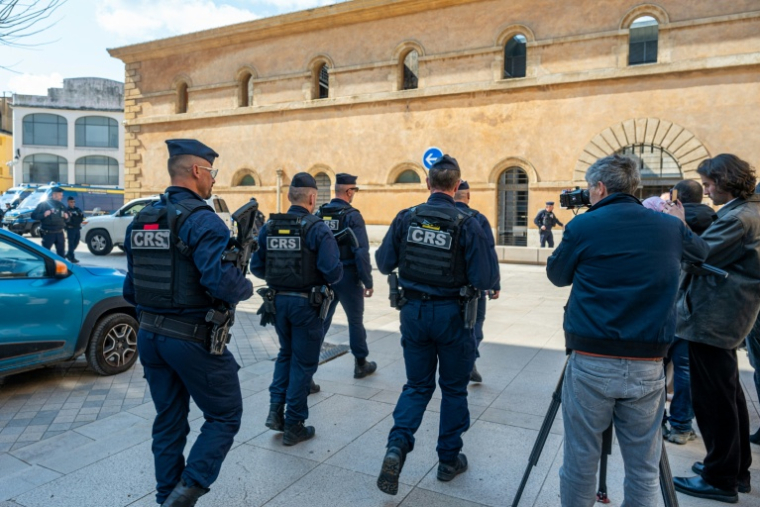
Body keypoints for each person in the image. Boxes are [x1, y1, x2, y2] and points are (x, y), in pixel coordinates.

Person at [546, 154, 708, 506]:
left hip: (590, 359)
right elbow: (701, 254)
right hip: (648, 363)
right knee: (643, 467)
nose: (587, 195)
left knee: (580, 460)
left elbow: (557, 276)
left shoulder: (585, 226)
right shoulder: (668, 227)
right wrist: (681, 223)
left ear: (601, 187)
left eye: (590, 189)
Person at [123, 139, 253, 507]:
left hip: (149, 336)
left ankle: (166, 497)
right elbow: (220, 283)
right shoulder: (202, 220)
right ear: (197, 171)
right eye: (211, 172)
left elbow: (130, 289)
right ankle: (186, 491)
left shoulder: (142, 218)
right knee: (225, 415)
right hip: (192, 340)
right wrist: (245, 285)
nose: (213, 180)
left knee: (169, 419)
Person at [374, 155, 499, 495]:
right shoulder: (470, 221)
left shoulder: (407, 217)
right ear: (457, 186)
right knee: (454, 389)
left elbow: (384, 263)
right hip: (454, 318)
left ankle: (397, 446)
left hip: (413, 313)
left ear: (427, 184)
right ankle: (448, 460)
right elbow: (485, 277)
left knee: (417, 386)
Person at [666, 154, 760, 503]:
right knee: (729, 395)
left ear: (724, 180)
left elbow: (699, 255)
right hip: (727, 314)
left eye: (707, 184)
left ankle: (721, 478)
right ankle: (735, 470)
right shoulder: (748, 210)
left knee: (715, 401)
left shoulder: (739, 217)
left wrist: (678, 224)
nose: (705, 192)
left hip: (714, 316)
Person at [250, 172, 342, 446]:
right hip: (307, 305)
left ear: (290, 196)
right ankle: (294, 424)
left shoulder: (270, 226)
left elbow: (256, 267)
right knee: (303, 362)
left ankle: (275, 411)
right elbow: (332, 271)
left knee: (286, 355)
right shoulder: (317, 228)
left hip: (276, 302)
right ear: (313, 198)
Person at [661, 179, 715, 445]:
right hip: (694, 304)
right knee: (684, 368)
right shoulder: (716, 219)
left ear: (677, 197)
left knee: (656, 365)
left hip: (666, 300)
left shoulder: (667, 220)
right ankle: (681, 426)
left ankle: (655, 421)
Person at [316, 173, 377, 378]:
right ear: (349, 191)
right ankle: (361, 364)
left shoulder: (321, 213)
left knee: (321, 321)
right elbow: (361, 251)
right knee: (355, 321)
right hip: (348, 276)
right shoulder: (352, 215)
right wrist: (367, 280)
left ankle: (307, 369)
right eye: (354, 191)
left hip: (325, 276)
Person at [453, 180, 501, 382]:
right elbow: (488, 254)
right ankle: (468, 362)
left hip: (443, 287)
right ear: (468, 196)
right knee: (475, 325)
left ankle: (465, 362)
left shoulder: (433, 216)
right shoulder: (477, 219)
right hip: (473, 288)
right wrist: (494, 284)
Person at [31, 187, 68, 257]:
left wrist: (67, 217)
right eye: (60, 195)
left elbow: (68, 219)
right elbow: (33, 216)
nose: (62, 197)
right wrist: (44, 214)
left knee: (61, 255)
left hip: (59, 233)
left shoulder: (61, 206)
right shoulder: (44, 205)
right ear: (54, 195)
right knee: (45, 255)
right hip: (48, 234)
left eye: (62, 195)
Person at [64, 196, 84, 263]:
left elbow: (81, 217)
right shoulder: (66, 210)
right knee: (71, 243)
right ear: (68, 202)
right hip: (70, 229)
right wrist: (74, 217)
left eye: (74, 202)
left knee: (77, 242)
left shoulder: (77, 209)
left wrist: (75, 217)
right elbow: (68, 220)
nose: (73, 203)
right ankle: (71, 257)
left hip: (77, 228)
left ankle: (69, 253)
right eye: (71, 202)